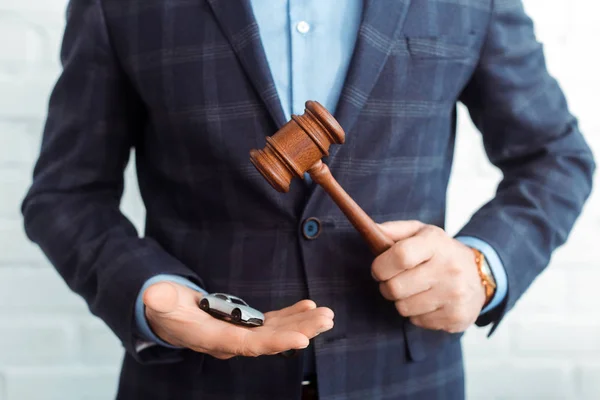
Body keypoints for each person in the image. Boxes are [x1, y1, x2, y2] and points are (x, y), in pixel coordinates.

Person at [22, 0, 595, 399]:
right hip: (193, 385)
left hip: (405, 384)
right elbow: (65, 195)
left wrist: (481, 268)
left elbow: (555, 159)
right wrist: (147, 294)